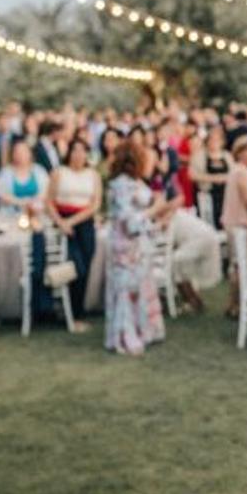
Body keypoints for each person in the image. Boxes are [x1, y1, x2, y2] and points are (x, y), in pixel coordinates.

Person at [104, 141, 167, 355]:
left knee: (137, 289)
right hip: (125, 246)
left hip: (136, 246)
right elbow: (128, 221)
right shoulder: (122, 185)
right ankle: (125, 335)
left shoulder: (133, 182)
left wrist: (153, 224)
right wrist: (155, 209)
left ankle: (143, 330)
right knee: (126, 291)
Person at [46, 139, 101, 332]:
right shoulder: (59, 173)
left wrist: (73, 221)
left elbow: (95, 204)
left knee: (85, 267)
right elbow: (49, 201)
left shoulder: (92, 175)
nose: (78, 155)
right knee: (74, 266)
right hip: (63, 222)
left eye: (82, 151)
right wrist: (61, 222)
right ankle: (68, 311)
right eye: (74, 150)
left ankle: (77, 312)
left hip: (84, 223)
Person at [0, 138, 53, 318]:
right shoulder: (6, 173)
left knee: (38, 247)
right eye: (17, 152)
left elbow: (45, 194)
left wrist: (33, 205)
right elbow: (2, 195)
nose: (20, 156)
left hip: (36, 219)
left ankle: (40, 296)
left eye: (23, 151)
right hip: (11, 220)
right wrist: (23, 202)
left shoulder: (39, 171)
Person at [221, 136, 247, 317]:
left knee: (238, 265)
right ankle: (236, 305)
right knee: (240, 266)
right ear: (242, 152)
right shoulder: (241, 172)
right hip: (242, 224)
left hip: (236, 223)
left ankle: (233, 305)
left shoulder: (239, 171)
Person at [191, 126, 231, 228]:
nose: (214, 142)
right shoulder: (200, 156)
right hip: (207, 195)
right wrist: (214, 178)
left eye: (217, 140)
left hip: (224, 196)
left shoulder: (227, 156)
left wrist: (225, 178)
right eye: (212, 140)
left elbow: (233, 173)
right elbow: (192, 174)